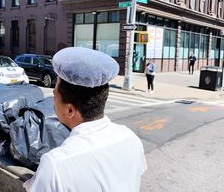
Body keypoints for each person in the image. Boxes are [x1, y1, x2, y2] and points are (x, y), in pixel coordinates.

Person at [24, 47, 147, 192]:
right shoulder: (131, 139)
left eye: (55, 95)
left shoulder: (55, 165)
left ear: (70, 110)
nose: (52, 98)